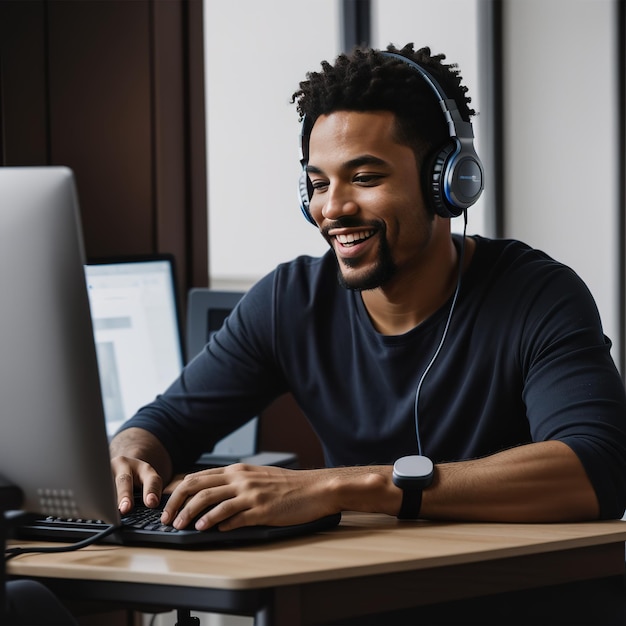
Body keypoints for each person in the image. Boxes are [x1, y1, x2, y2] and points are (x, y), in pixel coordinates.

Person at [110, 43, 626, 534]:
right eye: (317, 183)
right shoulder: (289, 302)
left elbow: (597, 466)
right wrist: (131, 457)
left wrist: (344, 486)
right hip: (356, 598)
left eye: (364, 177)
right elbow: (164, 424)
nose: (332, 208)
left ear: (447, 183)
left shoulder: (538, 295)